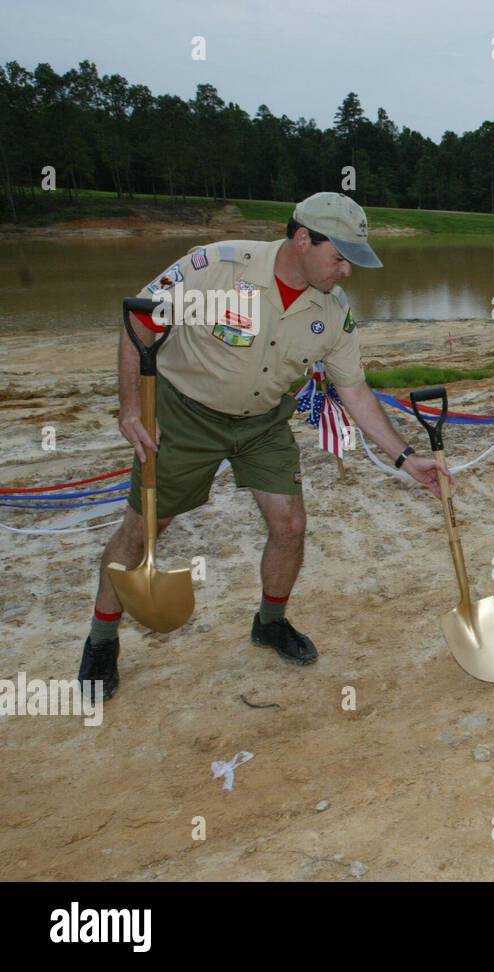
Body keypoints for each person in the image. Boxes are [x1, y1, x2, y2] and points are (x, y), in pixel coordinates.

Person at [77, 192, 452, 702]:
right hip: (184, 416)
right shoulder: (217, 269)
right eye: (339, 257)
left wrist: (406, 460)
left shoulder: (333, 312)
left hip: (263, 423)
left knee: (291, 525)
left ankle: (270, 623)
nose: (346, 271)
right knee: (144, 528)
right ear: (302, 239)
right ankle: (101, 640)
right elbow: (139, 323)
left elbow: (355, 392)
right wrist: (129, 408)